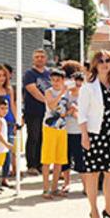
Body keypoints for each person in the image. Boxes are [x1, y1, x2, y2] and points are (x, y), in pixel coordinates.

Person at [78, 51, 110, 218]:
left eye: (108, 61)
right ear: (95, 65)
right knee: (93, 173)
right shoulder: (88, 87)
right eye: (101, 61)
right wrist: (84, 135)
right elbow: (81, 114)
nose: (105, 64)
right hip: (95, 134)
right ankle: (94, 209)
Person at [40, 69, 70, 199]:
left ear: (63, 80)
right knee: (47, 159)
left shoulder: (67, 93)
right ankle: (46, 189)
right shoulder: (49, 91)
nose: (56, 82)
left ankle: (55, 188)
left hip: (62, 128)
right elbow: (51, 105)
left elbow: (66, 109)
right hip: (50, 128)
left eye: (58, 80)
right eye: (53, 80)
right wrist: (61, 94)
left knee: (59, 160)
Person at [23, 49, 51, 175]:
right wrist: (47, 101)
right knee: (33, 137)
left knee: (43, 138)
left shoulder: (49, 73)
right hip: (33, 111)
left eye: (42, 56)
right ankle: (31, 164)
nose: (40, 59)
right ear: (33, 59)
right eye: (37, 57)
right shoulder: (29, 74)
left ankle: (41, 164)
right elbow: (33, 90)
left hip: (47, 112)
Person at [62, 70, 86, 194]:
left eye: (79, 84)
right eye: (74, 83)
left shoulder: (85, 96)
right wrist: (68, 111)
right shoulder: (65, 95)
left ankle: (85, 185)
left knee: (80, 159)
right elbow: (59, 112)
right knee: (65, 159)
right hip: (65, 131)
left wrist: (76, 111)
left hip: (79, 132)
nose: (76, 86)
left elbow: (86, 115)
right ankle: (66, 183)